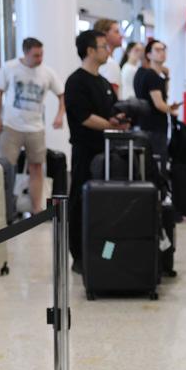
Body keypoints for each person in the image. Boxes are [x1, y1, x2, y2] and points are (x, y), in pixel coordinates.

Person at [63, 30, 130, 272]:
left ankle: (105, 253)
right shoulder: (76, 82)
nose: (107, 50)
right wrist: (111, 124)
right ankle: (79, 256)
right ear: (90, 50)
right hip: (85, 152)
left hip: (108, 152)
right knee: (81, 202)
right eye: (103, 46)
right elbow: (84, 118)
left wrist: (121, 118)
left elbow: (110, 112)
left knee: (106, 205)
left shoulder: (103, 82)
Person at [0, 37, 66, 215]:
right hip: (12, 126)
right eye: (36, 55)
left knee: (37, 167)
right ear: (25, 53)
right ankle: (5, 209)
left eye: (41, 55)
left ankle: (36, 209)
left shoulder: (47, 73)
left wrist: (60, 115)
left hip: (35, 128)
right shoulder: (9, 68)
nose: (40, 59)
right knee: (6, 168)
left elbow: (62, 94)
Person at [133, 38, 179, 169]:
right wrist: (171, 110)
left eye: (163, 49)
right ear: (149, 55)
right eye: (157, 50)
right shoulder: (151, 75)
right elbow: (159, 104)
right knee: (157, 164)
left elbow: (164, 96)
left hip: (150, 126)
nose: (162, 52)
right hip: (153, 127)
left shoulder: (153, 75)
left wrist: (167, 76)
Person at [93, 19, 124, 97]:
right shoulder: (110, 63)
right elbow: (112, 98)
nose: (121, 36)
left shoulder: (101, 62)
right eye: (116, 32)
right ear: (105, 35)